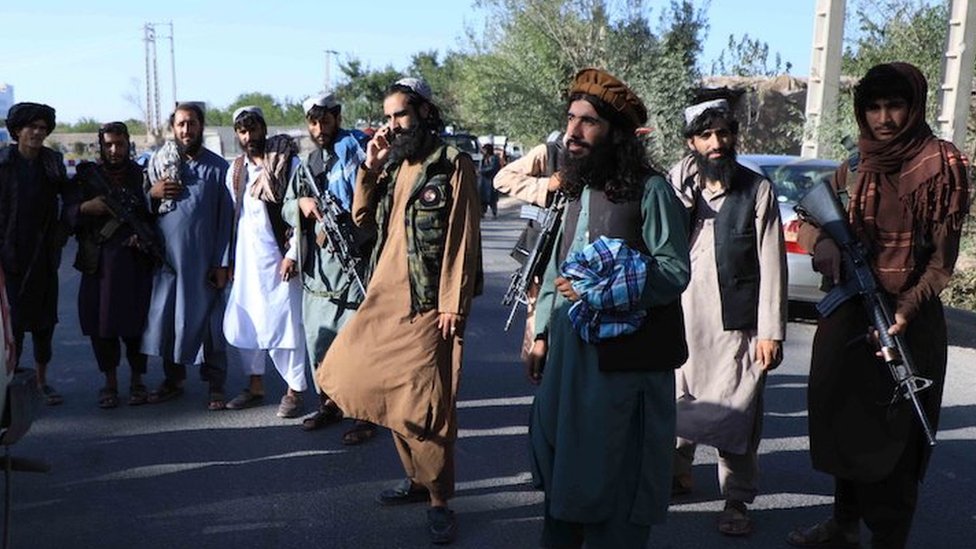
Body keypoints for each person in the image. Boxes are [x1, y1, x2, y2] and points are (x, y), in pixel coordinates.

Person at [787, 62, 970, 548]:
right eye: (873, 108)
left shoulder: (942, 166)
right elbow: (805, 218)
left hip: (905, 323)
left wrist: (904, 311)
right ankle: (843, 524)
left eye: (895, 106)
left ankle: (888, 539)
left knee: (897, 441)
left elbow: (941, 266)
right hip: (849, 317)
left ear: (914, 107)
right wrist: (822, 245)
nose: (884, 118)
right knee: (844, 427)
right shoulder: (856, 165)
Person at [526, 68, 691, 549]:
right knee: (564, 471)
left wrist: (606, 290)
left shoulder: (651, 190)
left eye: (588, 122)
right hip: (569, 362)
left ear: (616, 134)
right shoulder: (576, 191)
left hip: (624, 369)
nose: (572, 133)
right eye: (570, 119)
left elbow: (673, 272)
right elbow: (559, 271)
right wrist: (540, 334)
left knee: (614, 478)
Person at [317, 77, 481, 545]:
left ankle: (439, 500)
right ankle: (415, 481)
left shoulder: (453, 164)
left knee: (425, 405)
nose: (392, 126)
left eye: (401, 116)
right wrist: (368, 169)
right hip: (383, 298)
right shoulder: (395, 163)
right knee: (373, 384)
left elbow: (462, 237)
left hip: (428, 303)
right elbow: (364, 221)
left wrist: (452, 302)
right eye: (387, 118)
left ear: (425, 113)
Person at [667, 98, 787, 536]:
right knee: (678, 400)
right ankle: (677, 473)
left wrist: (770, 331)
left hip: (736, 325)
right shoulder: (677, 185)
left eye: (724, 133)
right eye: (706, 135)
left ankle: (736, 499)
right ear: (691, 142)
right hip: (683, 318)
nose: (717, 143)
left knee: (737, 412)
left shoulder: (757, 190)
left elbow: (773, 263)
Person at [281, 93, 377, 443]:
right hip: (318, 271)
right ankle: (330, 403)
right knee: (319, 341)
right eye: (313, 122)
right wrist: (302, 204)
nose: (319, 128)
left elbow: (376, 201)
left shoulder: (359, 151)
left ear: (337, 116)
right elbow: (286, 206)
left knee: (355, 343)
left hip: (354, 263)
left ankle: (364, 415)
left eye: (325, 120)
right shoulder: (309, 162)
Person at [141, 103, 233, 410]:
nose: (186, 130)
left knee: (211, 325)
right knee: (170, 320)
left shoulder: (219, 169)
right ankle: (173, 379)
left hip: (204, 265)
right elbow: (142, 209)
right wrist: (151, 194)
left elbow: (226, 221)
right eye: (180, 124)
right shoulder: (159, 165)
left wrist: (221, 262)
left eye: (191, 124)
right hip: (169, 263)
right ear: (173, 128)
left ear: (201, 126)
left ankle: (216, 384)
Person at [221, 106, 309, 418]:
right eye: (243, 131)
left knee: (287, 324)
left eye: (253, 129)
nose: (249, 137)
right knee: (250, 322)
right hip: (248, 263)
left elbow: (300, 213)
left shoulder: (288, 162)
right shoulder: (237, 170)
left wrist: (293, 253)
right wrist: (230, 261)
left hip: (280, 260)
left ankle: (294, 390)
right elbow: (235, 219)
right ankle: (255, 385)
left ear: (264, 129)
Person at [64, 122, 156, 408]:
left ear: (129, 144)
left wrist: (144, 240)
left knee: (136, 325)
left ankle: (138, 380)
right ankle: (111, 382)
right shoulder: (86, 177)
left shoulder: (143, 177)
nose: (114, 150)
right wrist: (84, 208)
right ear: (100, 146)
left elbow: (155, 218)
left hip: (134, 264)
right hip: (98, 263)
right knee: (101, 327)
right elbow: (66, 214)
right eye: (109, 145)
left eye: (119, 144)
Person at [0, 102, 70, 405]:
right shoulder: (2, 162)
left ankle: (41, 382)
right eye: (32, 127)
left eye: (43, 128)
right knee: (11, 325)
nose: (38, 132)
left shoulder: (52, 162)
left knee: (44, 323)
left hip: (42, 254)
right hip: (8, 254)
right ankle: (9, 384)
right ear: (17, 131)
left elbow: (69, 200)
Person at [478, 143, 500, 218]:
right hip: (483, 181)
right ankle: (482, 213)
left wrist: (481, 171)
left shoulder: (494, 158)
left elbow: (492, 168)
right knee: (482, 198)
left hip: (491, 180)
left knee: (492, 198)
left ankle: (494, 213)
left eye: (484, 150)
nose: (483, 151)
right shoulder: (483, 158)